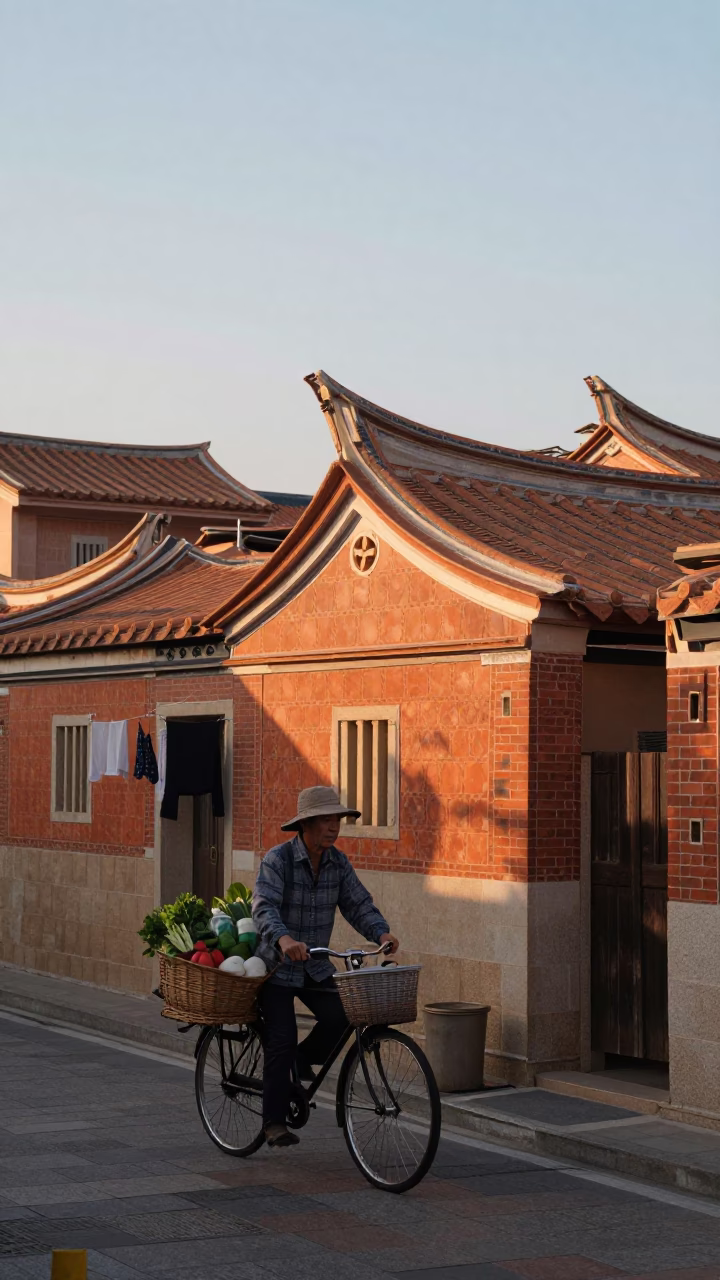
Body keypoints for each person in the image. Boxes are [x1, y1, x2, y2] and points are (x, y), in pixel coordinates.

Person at [252, 785, 399, 1148]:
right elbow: (263, 906)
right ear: (306, 824)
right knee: (281, 1038)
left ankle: (304, 1058)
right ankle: (273, 1122)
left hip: (315, 966)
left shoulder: (338, 863)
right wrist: (284, 939)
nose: (334, 827)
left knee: (345, 1014)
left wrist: (381, 933)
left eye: (337, 820)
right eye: (326, 820)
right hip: (276, 968)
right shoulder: (278, 860)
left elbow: (356, 902)